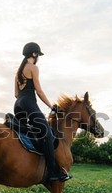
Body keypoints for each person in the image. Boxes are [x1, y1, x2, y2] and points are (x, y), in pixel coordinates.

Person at [14, 42, 71, 182]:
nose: (38, 57)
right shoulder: (33, 67)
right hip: (28, 103)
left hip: (18, 105)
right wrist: (51, 106)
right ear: (34, 54)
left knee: (27, 131)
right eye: (38, 55)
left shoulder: (17, 73)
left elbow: (16, 94)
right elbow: (38, 91)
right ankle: (52, 172)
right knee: (46, 133)